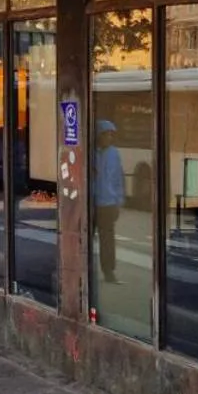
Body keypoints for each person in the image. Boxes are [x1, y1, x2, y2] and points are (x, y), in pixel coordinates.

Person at [92, 119, 126, 285]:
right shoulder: (91, 153)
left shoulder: (114, 154)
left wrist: (118, 201)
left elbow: (119, 178)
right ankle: (86, 271)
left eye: (111, 135)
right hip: (91, 203)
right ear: (99, 135)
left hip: (108, 203)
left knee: (107, 240)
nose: (109, 138)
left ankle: (109, 272)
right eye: (106, 134)